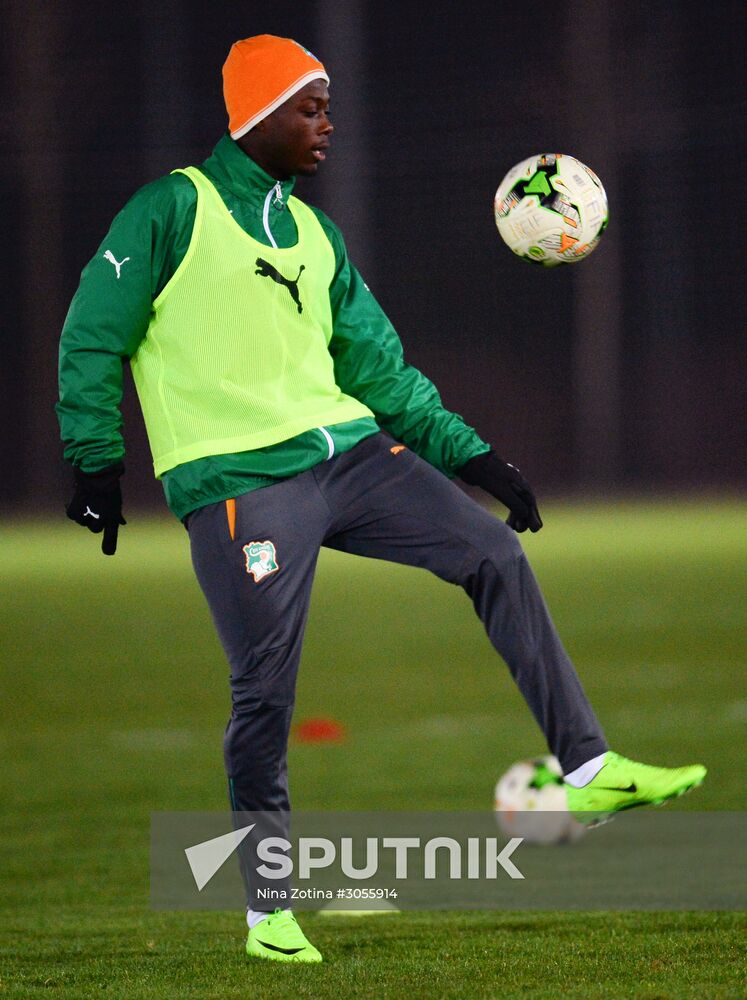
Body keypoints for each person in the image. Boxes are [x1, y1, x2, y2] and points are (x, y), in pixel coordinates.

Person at [57, 34, 706, 964]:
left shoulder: (318, 237)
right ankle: (268, 908)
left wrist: (476, 460)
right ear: (255, 115)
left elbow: (382, 374)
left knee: (495, 554)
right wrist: (94, 462)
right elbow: (91, 330)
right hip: (242, 480)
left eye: (327, 104)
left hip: (351, 457)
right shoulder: (173, 207)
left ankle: (590, 767)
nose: (327, 123)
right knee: (265, 693)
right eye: (309, 106)